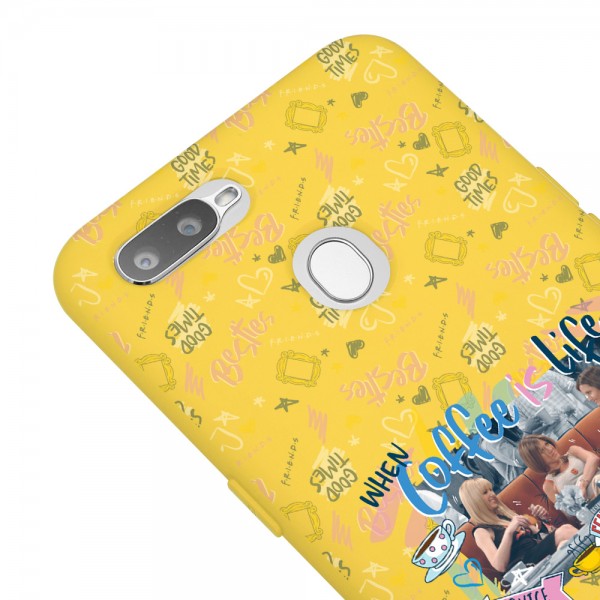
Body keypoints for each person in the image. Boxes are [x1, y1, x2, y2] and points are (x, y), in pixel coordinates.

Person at [459, 478, 577, 574]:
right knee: (565, 530)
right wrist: (509, 531)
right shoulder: (481, 531)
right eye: (485, 492)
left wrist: (544, 519)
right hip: (523, 566)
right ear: (476, 501)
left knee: (565, 544)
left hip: (537, 555)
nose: (492, 494)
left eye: (491, 490)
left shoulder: (505, 516)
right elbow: (499, 566)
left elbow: (541, 535)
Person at [518, 434, 600, 502]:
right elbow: (569, 513)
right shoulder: (549, 484)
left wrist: (582, 485)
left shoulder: (573, 451)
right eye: (542, 451)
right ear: (536, 460)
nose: (549, 449)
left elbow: (593, 459)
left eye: (547, 444)